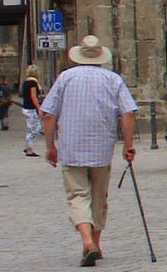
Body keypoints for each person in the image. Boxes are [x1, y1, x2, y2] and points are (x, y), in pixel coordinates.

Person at [40, 35, 138, 267]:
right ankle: (96, 243)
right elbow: (129, 113)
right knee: (98, 197)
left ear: (79, 56)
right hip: (101, 149)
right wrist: (127, 145)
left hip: (71, 148)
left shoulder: (66, 77)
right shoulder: (113, 79)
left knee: (77, 195)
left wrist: (49, 146)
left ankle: (87, 242)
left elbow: (48, 114)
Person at [21, 66, 45, 157]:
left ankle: (28, 146)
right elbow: (33, 96)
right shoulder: (33, 83)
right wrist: (38, 107)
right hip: (31, 108)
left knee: (32, 127)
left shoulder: (26, 82)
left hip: (27, 107)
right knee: (35, 128)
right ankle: (29, 148)